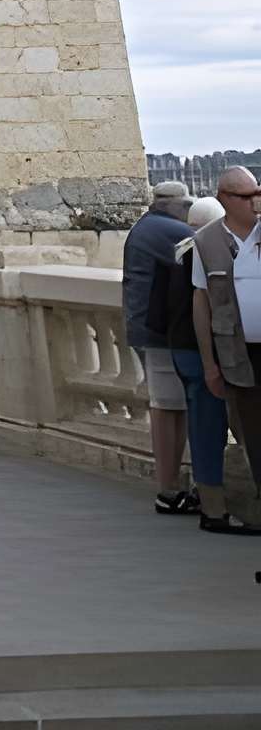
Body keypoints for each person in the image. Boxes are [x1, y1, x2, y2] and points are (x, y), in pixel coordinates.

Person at [151, 198, 245, 534]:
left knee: (205, 428)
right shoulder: (207, 252)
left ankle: (209, 500)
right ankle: (215, 509)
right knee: (210, 431)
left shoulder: (178, 253)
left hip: (182, 350)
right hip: (205, 353)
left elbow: (159, 310)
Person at [192, 167, 261, 542]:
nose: (255, 202)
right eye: (245, 196)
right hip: (238, 358)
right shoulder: (205, 243)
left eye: (257, 193)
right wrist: (209, 364)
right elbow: (201, 304)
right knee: (254, 441)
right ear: (224, 199)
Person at [123, 179, 196, 513]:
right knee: (168, 408)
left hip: (146, 329)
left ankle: (171, 488)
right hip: (162, 334)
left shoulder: (145, 226)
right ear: (176, 205)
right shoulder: (169, 230)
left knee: (172, 407)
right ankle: (169, 490)